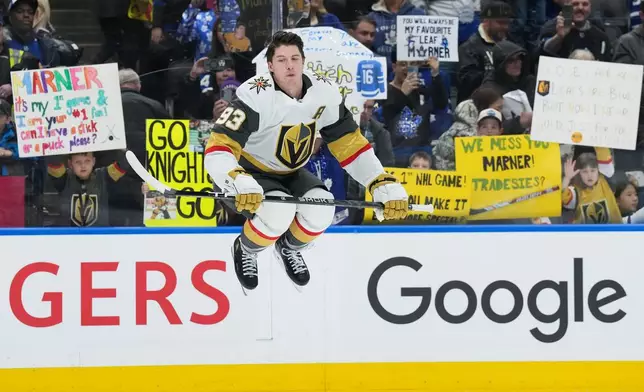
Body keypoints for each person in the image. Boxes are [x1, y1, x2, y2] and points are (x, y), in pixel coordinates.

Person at [203, 31, 409, 292]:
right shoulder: (253, 96)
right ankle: (245, 248)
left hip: (292, 171)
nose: (289, 65)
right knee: (278, 211)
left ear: (303, 61)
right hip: (250, 172)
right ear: (269, 66)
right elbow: (218, 146)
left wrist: (380, 182)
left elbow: (351, 145)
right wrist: (236, 178)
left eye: (294, 58)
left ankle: (288, 247)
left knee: (323, 208)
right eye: (281, 60)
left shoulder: (325, 93)